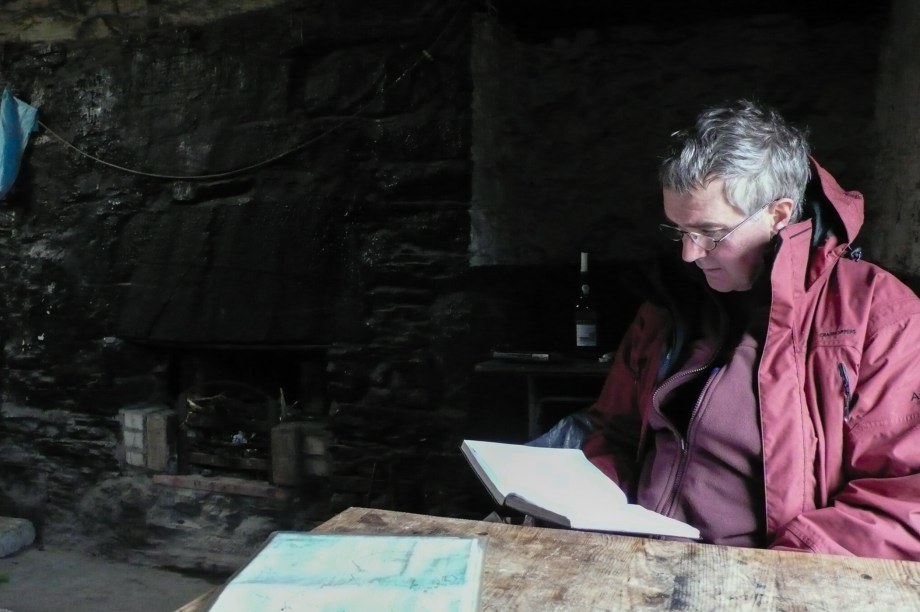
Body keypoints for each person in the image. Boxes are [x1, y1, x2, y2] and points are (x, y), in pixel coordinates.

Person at [580, 98, 920, 559]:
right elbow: (612, 432)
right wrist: (592, 516)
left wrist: (782, 566)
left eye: (710, 233)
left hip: (770, 574)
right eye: (679, 230)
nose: (689, 254)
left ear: (778, 214)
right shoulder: (667, 304)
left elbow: (906, 497)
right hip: (637, 558)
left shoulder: (880, 317)